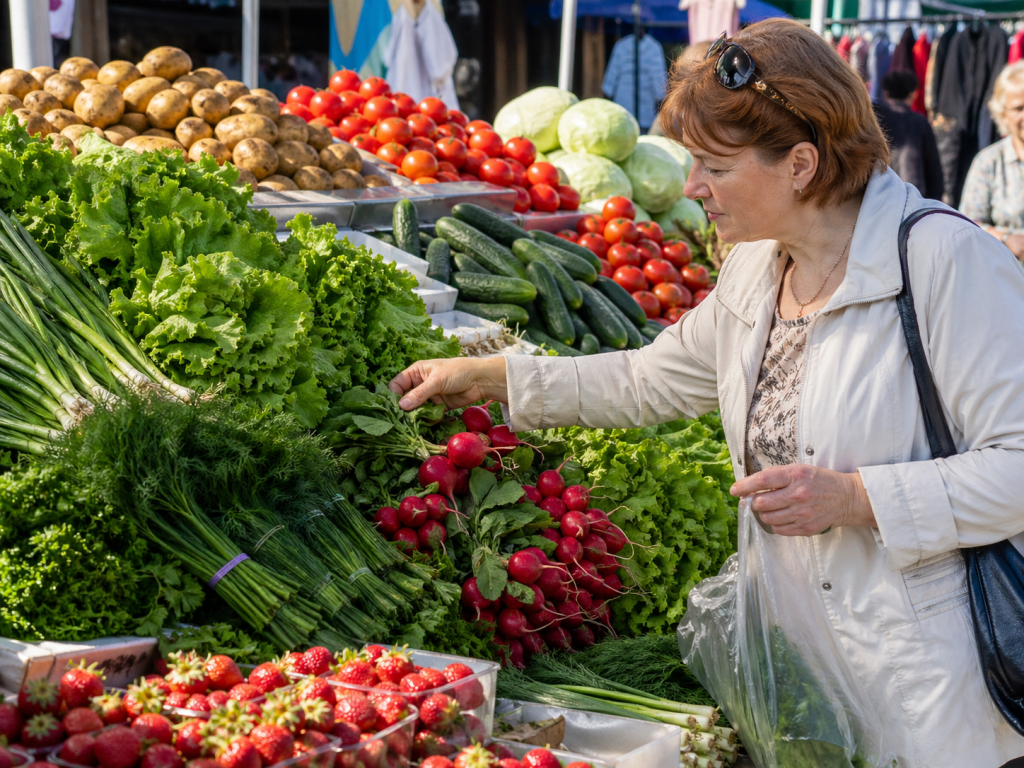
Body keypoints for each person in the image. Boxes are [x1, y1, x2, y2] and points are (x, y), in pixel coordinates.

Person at [391, 18, 1024, 768]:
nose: (693, 189)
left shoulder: (945, 259)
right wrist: (489, 377)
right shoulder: (757, 270)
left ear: (800, 164)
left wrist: (859, 497)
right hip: (804, 676)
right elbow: (648, 379)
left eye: (714, 168)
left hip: (927, 687)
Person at [960, 61, 1024, 260]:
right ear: (1003, 114)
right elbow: (967, 224)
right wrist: (1006, 238)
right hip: (1006, 278)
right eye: (1019, 108)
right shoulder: (989, 162)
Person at [873, 69, 944, 200]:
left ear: (886, 93)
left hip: (878, 195)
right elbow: (934, 170)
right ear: (912, 94)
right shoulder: (919, 122)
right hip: (913, 197)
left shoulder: (874, 118)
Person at [601, 29, 668, 132]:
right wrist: (660, 97)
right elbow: (658, 78)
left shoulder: (622, 45)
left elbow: (610, 80)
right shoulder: (653, 47)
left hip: (635, 106)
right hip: (632, 105)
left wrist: (608, 92)